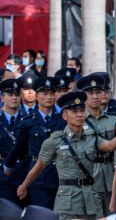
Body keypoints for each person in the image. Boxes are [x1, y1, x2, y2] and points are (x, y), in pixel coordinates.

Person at [17, 91, 116, 220]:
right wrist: (24, 185)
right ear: (64, 115)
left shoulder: (92, 136)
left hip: (90, 197)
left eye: (82, 111)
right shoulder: (55, 141)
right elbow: (39, 166)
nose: (79, 115)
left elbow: (109, 146)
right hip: (67, 201)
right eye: (74, 111)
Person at [5, 77, 65, 208]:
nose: (49, 97)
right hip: (38, 176)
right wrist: (8, 167)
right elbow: (18, 148)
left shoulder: (63, 120)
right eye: (45, 93)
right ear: (37, 96)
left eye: (51, 93)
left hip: (60, 174)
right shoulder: (28, 121)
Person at [78, 73, 116, 217]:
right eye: (91, 93)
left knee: (114, 215)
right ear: (83, 95)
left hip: (111, 176)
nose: (95, 96)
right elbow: (106, 146)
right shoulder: (78, 120)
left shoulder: (113, 118)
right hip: (89, 176)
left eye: (98, 92)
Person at [0, 78, 28, 206]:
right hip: (3, 174)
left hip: (25, 172)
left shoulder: (28, 119)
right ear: (2, 98)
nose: (14, 98)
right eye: (10, 95)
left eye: (17, 95)